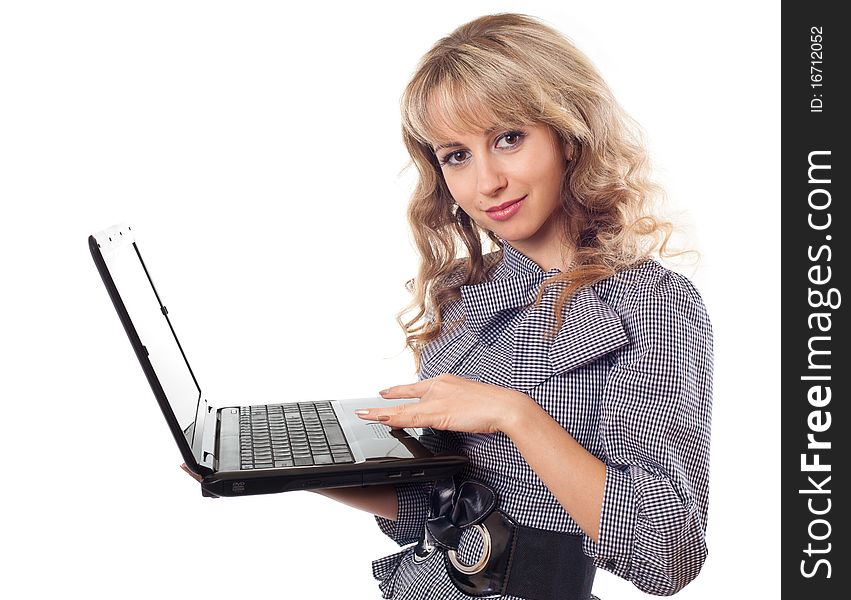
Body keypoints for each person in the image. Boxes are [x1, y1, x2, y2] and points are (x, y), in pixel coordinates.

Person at [189, 12, 713, 600]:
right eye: (456, 154)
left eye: (509, 139)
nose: (486, 181)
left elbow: (671, 555)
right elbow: (432, 502)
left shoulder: (651, 302)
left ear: (568, 135)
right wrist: (273, 467)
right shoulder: (467, 292)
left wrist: (515, 414)